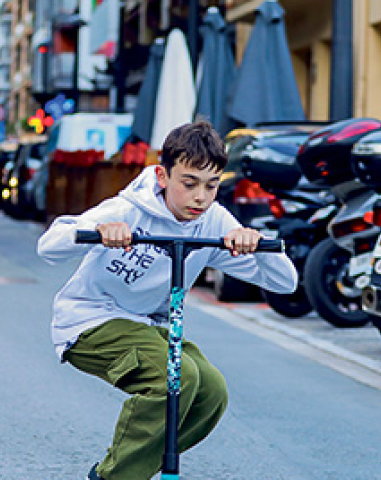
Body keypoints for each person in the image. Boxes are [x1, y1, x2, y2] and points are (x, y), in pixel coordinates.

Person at [37, 121, 298, 480]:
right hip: (88, 321)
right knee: (178, 377)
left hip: (148, 327)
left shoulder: (213, 221)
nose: (200, 197)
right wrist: (100, 231)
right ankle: (117, 476)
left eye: (211, 185)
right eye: (189, 183)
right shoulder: (128, 209)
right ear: (162, 176)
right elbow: (49, 246)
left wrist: (257, 245)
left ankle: (123, 471)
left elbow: (285, 283)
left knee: (211, 393)